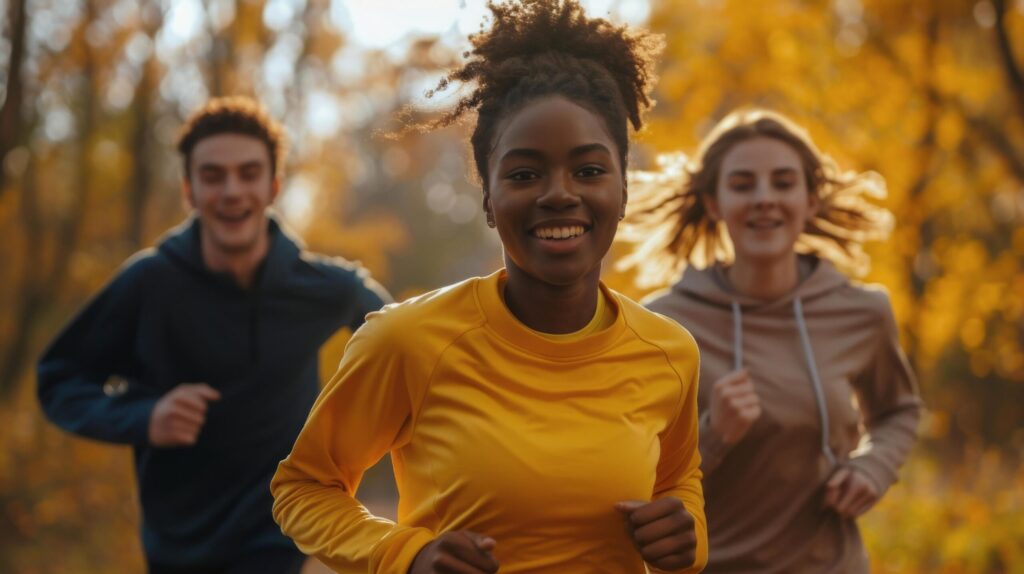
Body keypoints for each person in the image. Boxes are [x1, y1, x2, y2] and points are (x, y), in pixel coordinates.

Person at [270, 1, 707, 572]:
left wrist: (687, 527)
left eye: (589, 170)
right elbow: (304, 487)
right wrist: (406, 555)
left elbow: (679, 479)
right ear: (489, 202)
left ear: (623, 191)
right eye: (524, 174)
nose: (559, 194)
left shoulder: (669, 352)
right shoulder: (407, 340)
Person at [36, 96, 390, 574]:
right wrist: (145, 416)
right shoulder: (149, 283)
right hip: (178, 548)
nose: (231, 190)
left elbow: (405, 339)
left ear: (273, 187)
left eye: (248, 174)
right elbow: (59, 378)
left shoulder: (324, 288)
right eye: (213, 175)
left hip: (279, 542)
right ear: (189, 189)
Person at [625, 108, 922, 573]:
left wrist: (874, 467)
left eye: (783, 183)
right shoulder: (664, 323)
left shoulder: (861, 312)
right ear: (715, 201)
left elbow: (898, 410)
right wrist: (712, 435)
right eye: (743, 185)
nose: (765, 198)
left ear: (810, 199)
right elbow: (632, 473)